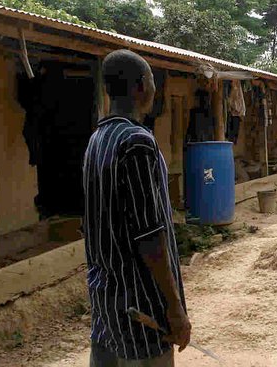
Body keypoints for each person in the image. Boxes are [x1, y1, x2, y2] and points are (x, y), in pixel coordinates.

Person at [83, 50, 191, 366]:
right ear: (142, 86)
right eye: (152, 82)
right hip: (141, 305)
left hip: (106, 299)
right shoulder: (137, 142)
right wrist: (173, 307)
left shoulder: (97, 140)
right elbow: (150, 235)